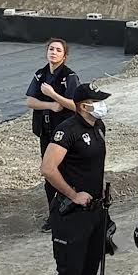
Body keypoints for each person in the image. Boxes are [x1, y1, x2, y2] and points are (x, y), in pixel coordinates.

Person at [42, 86, 114, 275]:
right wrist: (73, 195)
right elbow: (48, 169)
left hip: (95, 208)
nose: (102, 105)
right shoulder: (68, 130)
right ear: (83, 105)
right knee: (69, 268)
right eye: (97, 102)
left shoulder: (98, 127)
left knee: (90, 263)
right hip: (70, 211)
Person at [25, 40, 88, 218]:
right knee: (49, 173)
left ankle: (71, 208)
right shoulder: (40, 75)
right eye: (51, 49)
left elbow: (76, 105)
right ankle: (54, 214)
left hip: (64, 134)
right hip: (46, 132)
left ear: (64, 56)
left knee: (66, 171)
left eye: (58, 50)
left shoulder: (69, 77)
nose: (53, 52)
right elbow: (30, 101)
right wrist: (50, 105)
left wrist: (54, 95)